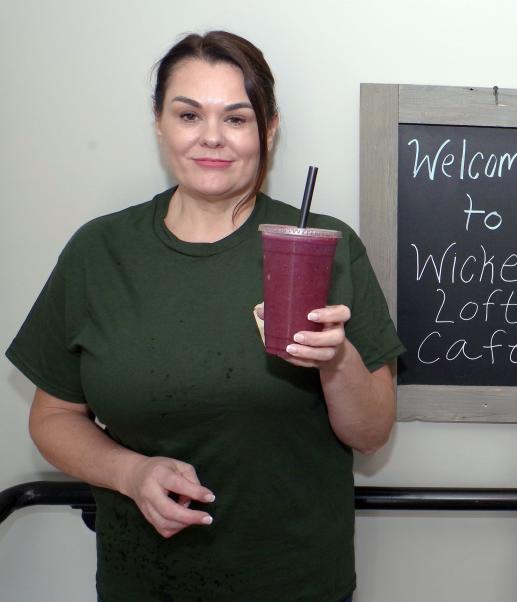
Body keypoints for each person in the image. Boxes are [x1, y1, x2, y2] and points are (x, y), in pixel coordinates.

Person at [5, 31, 403, 602]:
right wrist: (129, 473)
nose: (212, 137)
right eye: (189, 114)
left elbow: (371, 433)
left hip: (297, 584)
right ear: (160, 124)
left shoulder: (327, 247)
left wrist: (336, 361)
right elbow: (53, 418)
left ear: (268, 129)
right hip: (142, 583)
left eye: (237, 118)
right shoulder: (99, 252)